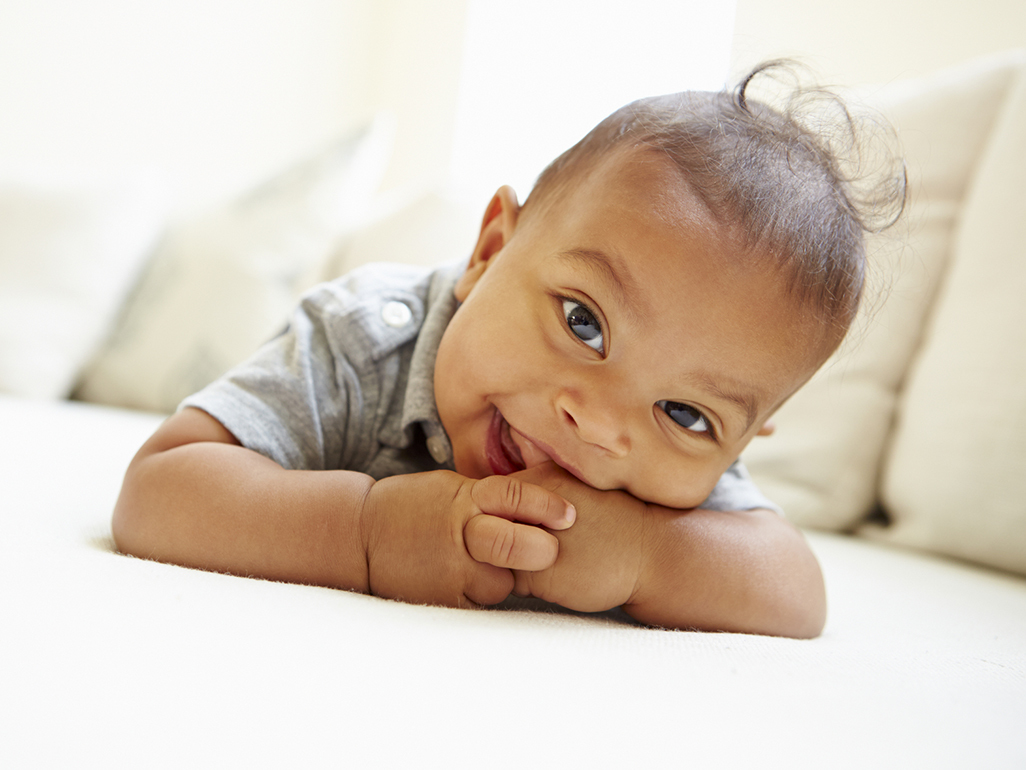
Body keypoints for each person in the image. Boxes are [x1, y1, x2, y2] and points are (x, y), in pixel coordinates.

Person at [112, 63, 904, 638]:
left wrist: (648, 557)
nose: (597, 426)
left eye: (684, 412)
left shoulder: (678, 474)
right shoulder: (364, 339)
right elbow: (159, 490)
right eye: (584, 323)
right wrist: (368, 531)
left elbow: (797, 594)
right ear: (490, 250)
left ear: (737, 439)